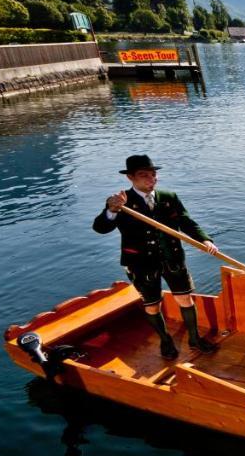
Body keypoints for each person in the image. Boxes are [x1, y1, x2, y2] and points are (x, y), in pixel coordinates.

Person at [92, 154, 220, 359]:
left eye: (153, 175)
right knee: (152, 304)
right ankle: (166, 340)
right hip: (141, 263)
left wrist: (205, 239)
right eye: (144, 175)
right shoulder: (121, 202)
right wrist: (111, 210)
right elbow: (100, 228)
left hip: (173, 259)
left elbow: (186, 222)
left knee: (185, 298)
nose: (151, 179)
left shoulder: (169, 197)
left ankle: (195, 338)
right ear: (130, 178)